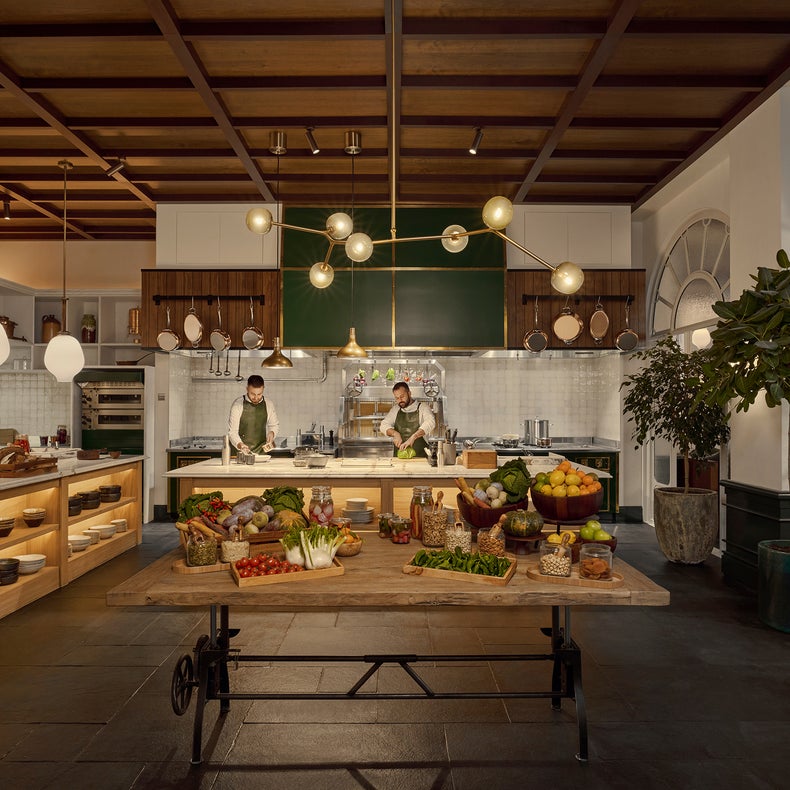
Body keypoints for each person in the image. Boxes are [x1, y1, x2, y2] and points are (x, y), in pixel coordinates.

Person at [379, 381, 435, 458]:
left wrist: (413, 437)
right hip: (399, 459)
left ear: (409, 393)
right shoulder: (395, 409)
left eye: (402, 396)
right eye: (397, 398)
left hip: (420, 459)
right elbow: (383, 425)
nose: (400, 400)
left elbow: (430, 422)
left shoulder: (423, 407)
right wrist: (395, 434)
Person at [228, 374, 280, 454]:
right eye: (253, 394)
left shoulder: (268, 404)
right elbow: (232, 432)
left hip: (261, 454)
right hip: (240, 453)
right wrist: (240, 445)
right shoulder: (237, 405)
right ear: (247, 389)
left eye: (259, 394)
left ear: (263, 389)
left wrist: (272, 433)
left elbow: (274, 425)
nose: (256, 397)